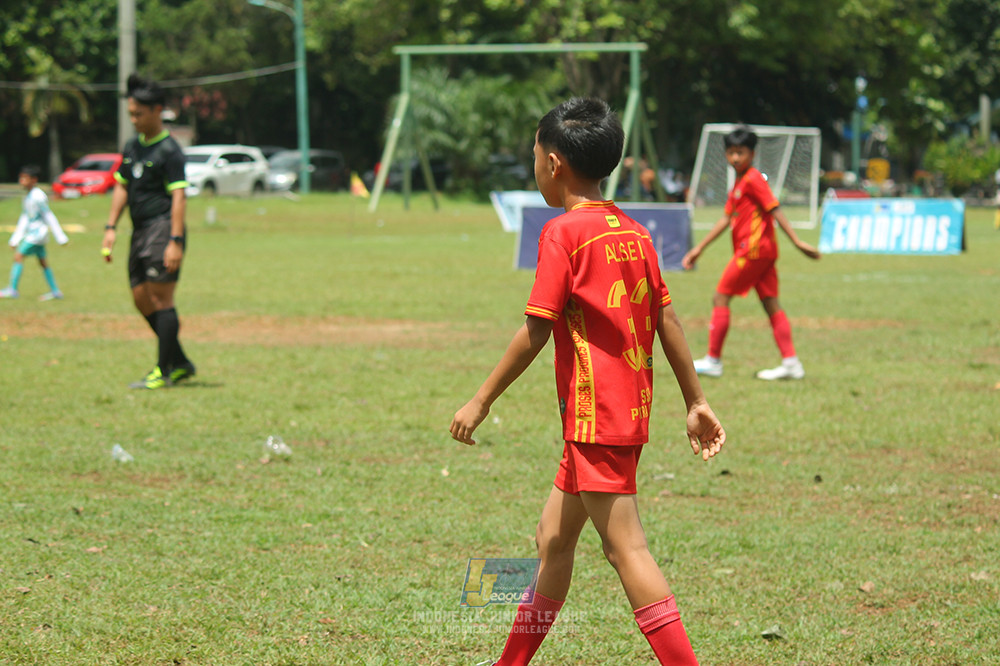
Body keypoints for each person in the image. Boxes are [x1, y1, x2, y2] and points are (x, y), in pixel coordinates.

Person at [450, 97, 726, 666]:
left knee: (627, 550)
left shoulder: (563, 233)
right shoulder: (635, 232)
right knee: (552, 540)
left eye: (533, 154)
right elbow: (666, 318)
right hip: (612, 414)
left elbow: (535, 330)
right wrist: (695, 400)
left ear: (553, 163)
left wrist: (480, 401)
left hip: (597, 417)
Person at [681, 125, 821, 380]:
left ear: (752, 154)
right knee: (770, 303)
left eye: (741, 152)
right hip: (764, 253)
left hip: (753, 252)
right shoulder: (739, 183)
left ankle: (713, 359)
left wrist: (798, 242)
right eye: (731, 152)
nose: (735, 158)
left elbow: (774, 208)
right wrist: (699, 248)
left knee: (720, 297)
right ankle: (791, 362)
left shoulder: (754, 179)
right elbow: (726, 219)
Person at [102, 73, 196, 390]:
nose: (134, 120)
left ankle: (163, 370)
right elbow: (121, 186)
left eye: (139, 114)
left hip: (162, 228)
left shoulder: (170, 151)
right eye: (131, 114)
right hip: (138, 230)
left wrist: (176, 240)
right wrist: (110, 227)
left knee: (162, 297)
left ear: (157, 110)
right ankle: (180, 361)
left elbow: (180, 197)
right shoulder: (132, 147)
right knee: (141, 299)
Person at [1, 165, 69, 301]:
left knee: (18, 256)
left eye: (25, 178)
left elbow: (48, 215)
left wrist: (60, 237)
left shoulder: (38, 196)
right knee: (43, 262)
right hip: (35, 235)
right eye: (21, 178)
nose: (21, 181)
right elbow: (25, 218)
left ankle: (12, 289)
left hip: (37, 235)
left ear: (34, 180)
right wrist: (15, 238)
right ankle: (55, 291)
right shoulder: (28, 196)